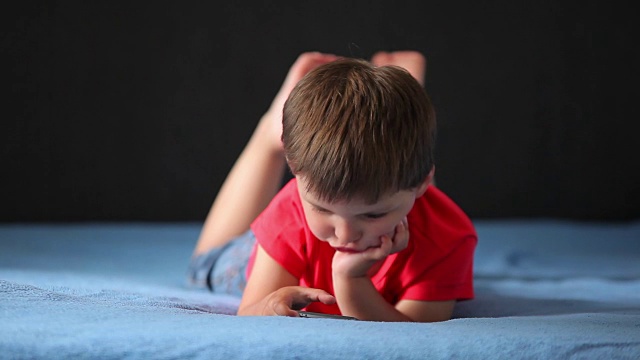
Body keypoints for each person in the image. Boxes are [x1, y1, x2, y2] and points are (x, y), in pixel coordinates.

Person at [188, 51, 477, 322]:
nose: (345, 235)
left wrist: (350, 280)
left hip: (409, 198)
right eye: (322, 209)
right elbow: (249, 314)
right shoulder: (293, 210)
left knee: (404, 176)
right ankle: (270, 135)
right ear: (295, 172)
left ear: (424, 182)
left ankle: (399, 99)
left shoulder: (448, 239)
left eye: (373, 215)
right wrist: (268, 306)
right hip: (272, 249)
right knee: (205, 267)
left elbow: (411, 336)